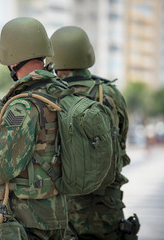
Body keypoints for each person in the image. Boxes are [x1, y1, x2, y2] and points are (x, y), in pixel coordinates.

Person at [0, 17, 68, 240]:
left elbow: (2, 168)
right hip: (58, 214)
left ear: (11, 58)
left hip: (25, 219)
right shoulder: (61, 93)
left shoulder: (22, 106)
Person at [48, 26, 138, 240]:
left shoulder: (50, 96)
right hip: (105, 209)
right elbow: (120, 143)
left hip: (61, 211)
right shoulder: (110, 94)